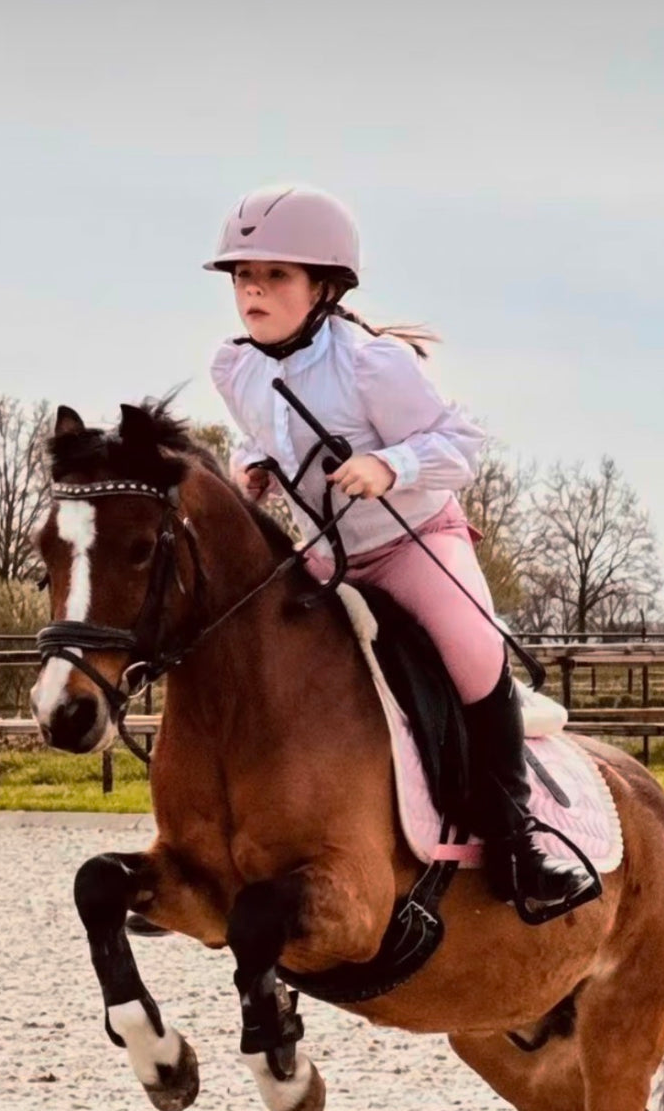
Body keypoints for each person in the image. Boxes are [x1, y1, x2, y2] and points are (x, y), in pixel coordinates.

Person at [206, 183, 598, 918]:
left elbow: (463, 444)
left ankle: (520, 848)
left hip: (411, 542)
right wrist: (250, 466)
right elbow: (261, 431)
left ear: (324, 286)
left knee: (476, 656)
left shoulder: (371, 364)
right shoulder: (235, 369)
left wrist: (392, 468)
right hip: (324, 554)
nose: (252, 289)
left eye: (275, 275)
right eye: (241, 276)